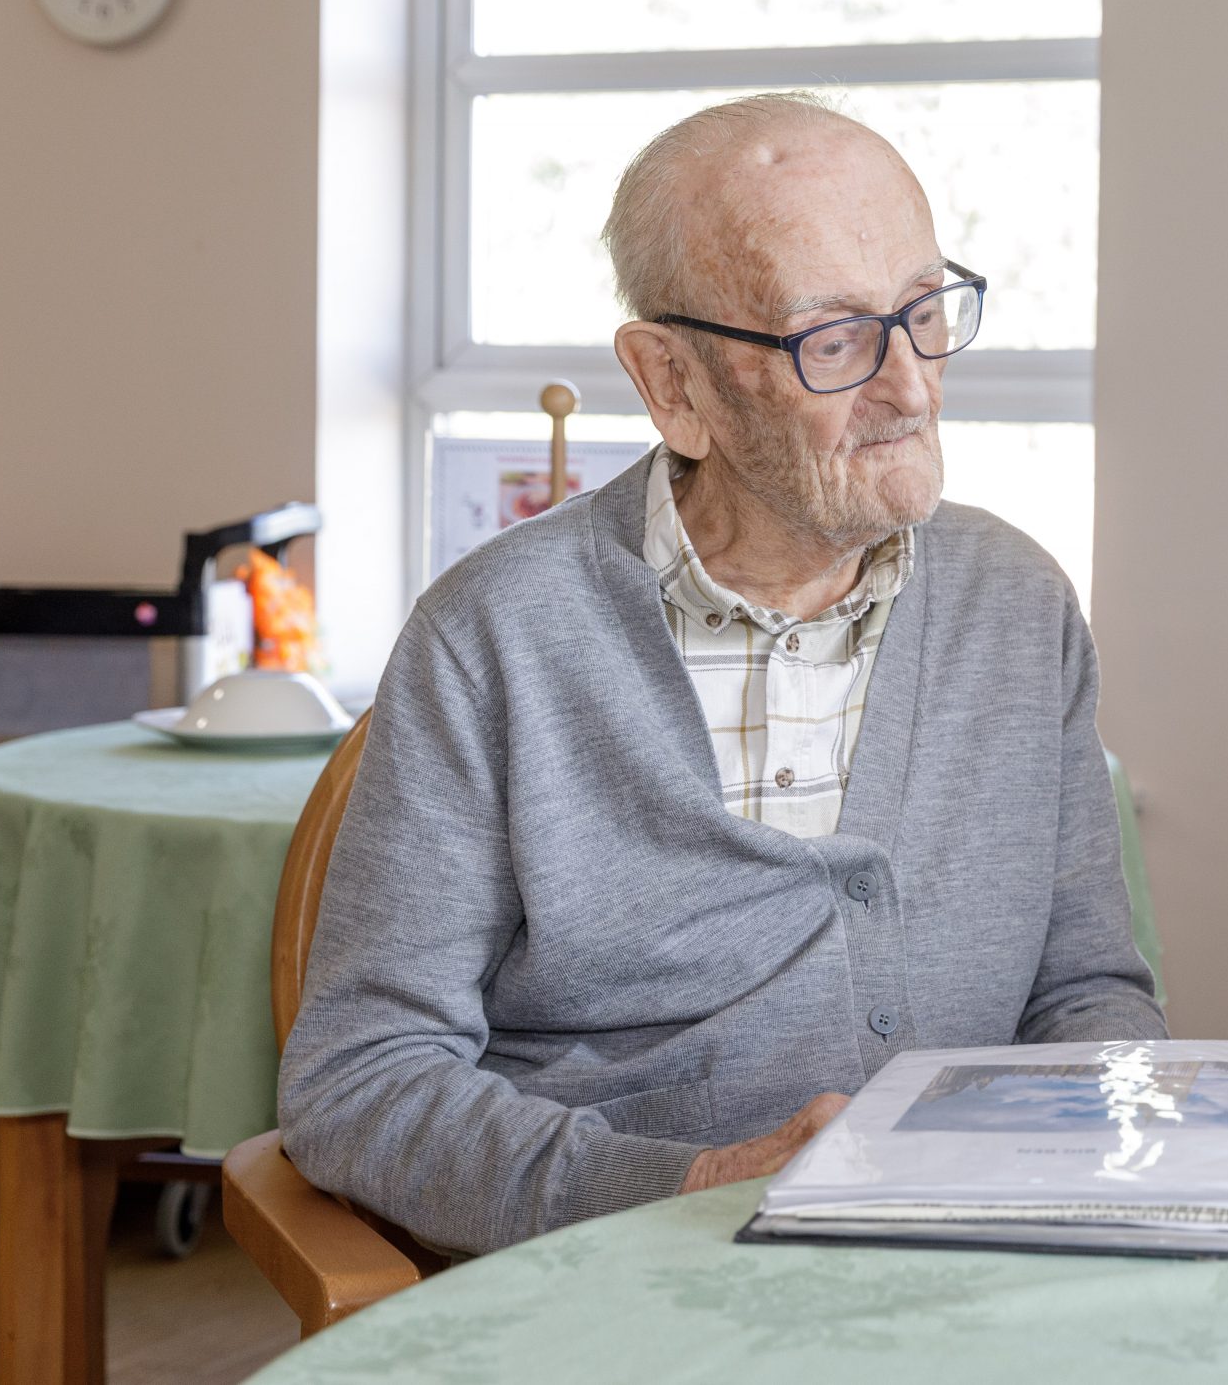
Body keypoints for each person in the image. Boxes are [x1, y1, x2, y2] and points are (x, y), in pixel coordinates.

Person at [280, 94, 1162, 1255]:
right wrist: (689, 1187)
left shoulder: (1017, 602)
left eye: (922, 311)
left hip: (965, 1273)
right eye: (833, 339)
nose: (910, 387)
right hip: (621, 1295)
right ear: (673, 386)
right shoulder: (493, 635)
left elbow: (1086, 991)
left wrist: (1103, 1173)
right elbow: (362, 1084)